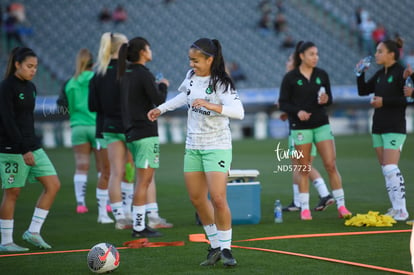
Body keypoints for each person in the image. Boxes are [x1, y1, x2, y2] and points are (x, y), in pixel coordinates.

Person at [148, 38, 244, 266]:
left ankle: (227, 249)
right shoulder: (191, 77)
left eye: (196, 60)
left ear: (210, 59)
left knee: (218, 198)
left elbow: (239, 112)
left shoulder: (222, 83)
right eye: (190, 59)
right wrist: (161, 109)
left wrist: (211, 105)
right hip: (193, 146)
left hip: (217, 146)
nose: (192, 64)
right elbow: (184, 96)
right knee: (197, 199)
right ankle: (214, 246)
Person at [90, 33, 172, 230]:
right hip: (134, 126)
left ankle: (120, 217)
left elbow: (93, 105)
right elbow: (151, 98)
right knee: (143, 175)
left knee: (115, 173)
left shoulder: (98, 73)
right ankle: (151, 216)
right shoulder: (132, 72)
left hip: (109, 126)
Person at [278, 41, 352, 221]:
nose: (315, 57)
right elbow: (283, 102)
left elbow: (329, 99)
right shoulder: (290, 77)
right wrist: (298, 112)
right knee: (303, 168)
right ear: (301, 56)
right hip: (300, 127)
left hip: (321, 124)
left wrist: (326, 99)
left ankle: (342, 206)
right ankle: (304, 209)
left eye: (317, 54)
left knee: (331, 165)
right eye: (311, 54)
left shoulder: (322, 74)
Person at [0, 47, 61, 251]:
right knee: (12, 192)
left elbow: (26, 119)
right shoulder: (6, 87)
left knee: (53, 184)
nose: (33, 70)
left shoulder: (31, 87)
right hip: (11, 148)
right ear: (17, 65)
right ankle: (6, 242)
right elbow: (8, 121)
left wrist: (31, 145)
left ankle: (33, 232)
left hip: (32, 146)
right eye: (29, 66)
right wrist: (23, 149)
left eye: (35, 67)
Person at [118, 37, 169, 237]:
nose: (150, 50)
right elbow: (158, 101)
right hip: (145, 133)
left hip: (131, 132)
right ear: (142, 51)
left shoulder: (125, 74)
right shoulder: (143, 74)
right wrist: (163, 85)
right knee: (144, 181)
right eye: (148, 47)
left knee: (141, 180)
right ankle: (139, 228)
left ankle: (140, 225)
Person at [356, 38, 409, 221]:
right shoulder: (380, 75)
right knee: (385, 169)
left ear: (391, 54)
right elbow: (363, 91)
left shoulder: (401, 73)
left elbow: (408, 99)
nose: (376, 54)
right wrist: (359, 74)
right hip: (378, 126)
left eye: (380, 51)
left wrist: (383, 102)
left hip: (395, 126)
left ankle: (402, 210)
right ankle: (395, 208)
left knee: (390, 167)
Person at [280, 53, 334, 213]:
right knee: (297, 165)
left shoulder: (297, 80)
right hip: (297, 128)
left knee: (303, 165)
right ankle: (298, 201)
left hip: (303, 130)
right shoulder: (291, 80)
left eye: (290, 59)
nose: (287, 62)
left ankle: (324, 194)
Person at [63, 48, 110, 221]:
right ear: (94, 63)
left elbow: (67, 106)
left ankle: (81, 203)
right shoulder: (96, 78)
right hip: (95, 126)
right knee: (103, 168)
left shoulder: (70, 83)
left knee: (81, 166)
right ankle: (105, 204)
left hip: (77, 127)